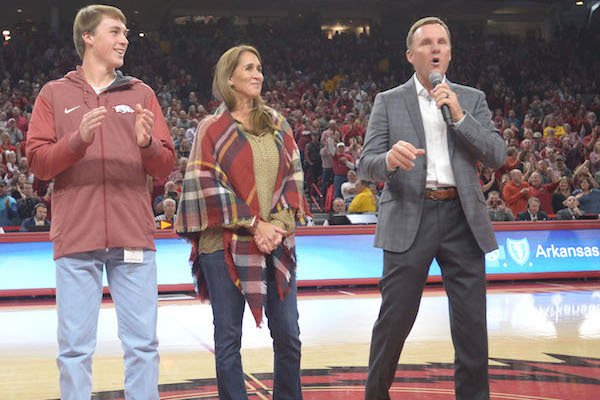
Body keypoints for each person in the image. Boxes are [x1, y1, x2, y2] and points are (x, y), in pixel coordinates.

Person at [26, 5, 176, 399]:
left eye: (125, 32)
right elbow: (39, 163)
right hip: (77, 236)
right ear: (88, 38)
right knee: (75, 350)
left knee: (143, 346)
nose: (124, 39)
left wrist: (146, 144)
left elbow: (165, 164)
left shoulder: (141, 93)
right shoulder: (54, 94)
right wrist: (77, 141)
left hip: (133, 236)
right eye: (115, 31)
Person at [358, 17, 505, 400]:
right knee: (396, 320)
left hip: (462, 218)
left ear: (450, 53)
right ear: (411, 55)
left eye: (442, 42)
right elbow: (366, 162)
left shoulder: (471, 99)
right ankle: (375, 394)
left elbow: (496, 154)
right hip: (411, 212)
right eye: (426, 43)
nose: (435, 48)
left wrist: (458, 116)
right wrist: (388, 158)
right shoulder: (387, 102)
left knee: (472, 325)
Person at [175, 45, 308, 400]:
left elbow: (293, 177)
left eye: (259, 68)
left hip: (276, 241)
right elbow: (206, 185)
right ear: (229, 77)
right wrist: (253, 223)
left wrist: (276, 225)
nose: (257, 74)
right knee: (228, 338)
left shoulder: (279, 123)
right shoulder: (211, 128)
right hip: (224, 246)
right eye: (248, 68)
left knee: (289, 334)